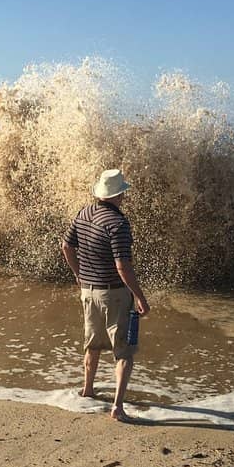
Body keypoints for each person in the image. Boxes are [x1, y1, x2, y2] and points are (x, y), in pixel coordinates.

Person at [61, 168, 150, 422]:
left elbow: (66, 247)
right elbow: (122, 267)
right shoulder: (118, 224)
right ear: (119, 194)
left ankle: (88, 389)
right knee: (124, 352)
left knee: (92, 344)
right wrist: (140, 296)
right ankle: (117, 408)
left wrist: (79, 275)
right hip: (115, 295)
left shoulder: (84, 213)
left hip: (88, 292)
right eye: (123, 193)